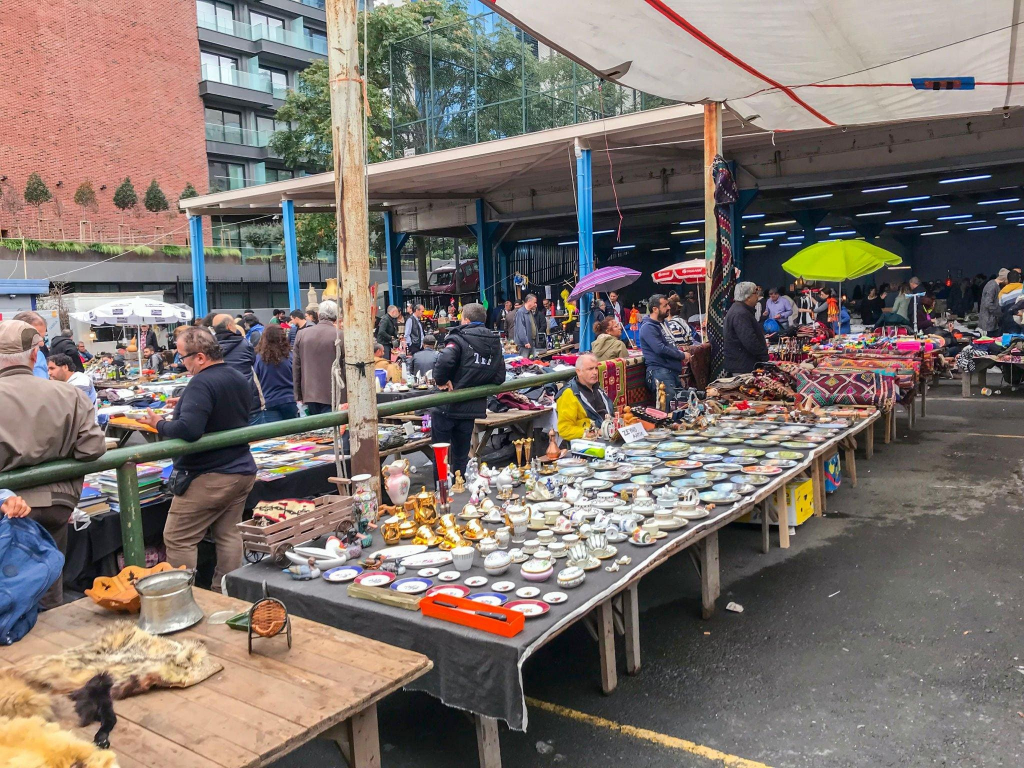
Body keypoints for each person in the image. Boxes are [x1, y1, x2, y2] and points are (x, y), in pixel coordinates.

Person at [137, 328, 256, 592]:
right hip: (241, 468)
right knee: (228, 534)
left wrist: (159, 423)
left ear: (200, 357)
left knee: (178, 537)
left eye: (183, 357)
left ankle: (183, 598)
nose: (182, 363)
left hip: (209, 475)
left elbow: (189, 431)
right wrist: (185, 404)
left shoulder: (201, 382)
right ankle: (226, 592)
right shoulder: (236, 375)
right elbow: (226, 410)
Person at [0, 319, 106, 608]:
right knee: (49, 576)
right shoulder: (68, 393)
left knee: (9, 588)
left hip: (9, 505)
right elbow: (92, 448)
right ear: (36, 356)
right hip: (58, 502)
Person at [430, 303, 504, 476]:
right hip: (470, 409)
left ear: (466, 320)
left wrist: (441, 380)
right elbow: (500, 377)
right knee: (461, 456)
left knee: (440, 456)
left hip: (446, 405)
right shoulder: (495, 343)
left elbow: (445, 359)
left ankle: (441, 495)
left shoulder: (458, 337)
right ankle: (459, 488)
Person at [293, 299, 345, 415]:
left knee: (316, 431)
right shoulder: (340, 335)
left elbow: (296, 366)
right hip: (335, 394)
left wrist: (298, 395)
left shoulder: (302, 334)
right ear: (336, 317)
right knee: (335, 430)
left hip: (309, 393)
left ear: (318, 315)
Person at [638, 294, 690, 402]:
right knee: (668, 409)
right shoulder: (648, 327)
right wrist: (682, 355)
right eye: (665, 305)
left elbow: (670, 345)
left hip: (671, 372)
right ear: (655, 309)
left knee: (680, 407)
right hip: (660, 372)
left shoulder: (664, 323)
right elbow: (660, 349)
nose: (669, 308)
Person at [211, 314, 261, 424]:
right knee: (256, 438)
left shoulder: (208, 348)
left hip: (221, 402)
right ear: (229, 326)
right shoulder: (245, 344)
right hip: (248, 399)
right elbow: (254, 363)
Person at [556, 353, 615, 441]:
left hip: (608, 436)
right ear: (578, 371)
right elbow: (564, 430)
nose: (595, 372)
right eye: (590, 369)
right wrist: (595, 432)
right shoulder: (569, 394)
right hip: (589, 443)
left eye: (596, 368)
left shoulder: (598, 389)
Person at [253, 325, 298, 422]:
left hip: (269, 400)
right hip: (289, 399)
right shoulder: (290, 356)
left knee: (274, 435)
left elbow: (256, 378)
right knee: (294, 434)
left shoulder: (259, 359)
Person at [724, 282, 770, 374]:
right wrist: (763, 355)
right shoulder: (740, 313)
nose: (757, 296)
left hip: (743, 362)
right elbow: (749, 339)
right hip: (743, 365)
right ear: (748, 297)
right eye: (755, 293)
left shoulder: (740, 310)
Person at [13, 311, 49, 379]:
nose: (42, 344)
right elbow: (41, 386)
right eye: (36, 338)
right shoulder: (36, 356)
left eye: (42, 338)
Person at [979, 269, 1009, 335]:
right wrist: (1000, 313)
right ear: (1004, 279)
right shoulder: (992, 286)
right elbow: (988, 303)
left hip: (992, 321)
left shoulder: (995, 285)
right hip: (989, 322)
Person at [513, 293, 539, 358]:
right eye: (534, 302)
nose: (536, 304)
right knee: (524, 364)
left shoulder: (530, 312)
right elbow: (520, 329)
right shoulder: (520, 312)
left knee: (532, 363)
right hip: (525, 345)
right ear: (529, 301)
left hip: (531, 343)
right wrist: (525, 342)